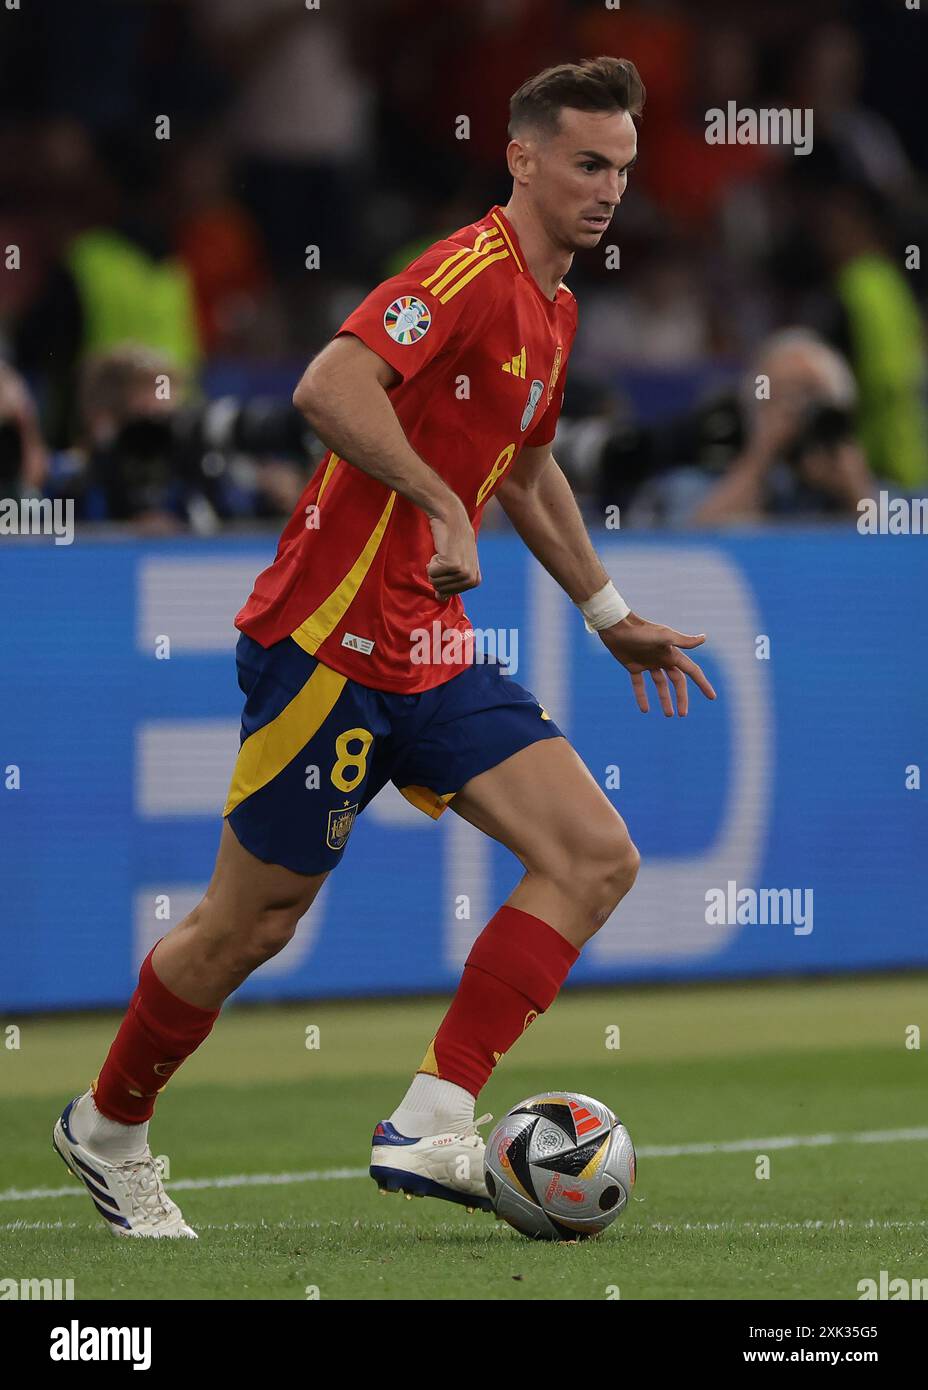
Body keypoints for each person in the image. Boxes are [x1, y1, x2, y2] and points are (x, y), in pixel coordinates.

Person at [53, 56, 715, 1238]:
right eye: (584, 163)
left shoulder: (556, 308)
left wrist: (609, 615)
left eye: (619, 167)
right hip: (323, 641)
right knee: (249, 925)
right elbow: (327, 384)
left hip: (429, 641)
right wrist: (437, 501)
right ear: (521, 158)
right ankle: (107, 1124)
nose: (607, 188)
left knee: (593, 856)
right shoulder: (464, 271)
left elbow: (525, 465)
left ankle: (431, 1114)